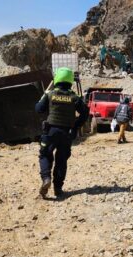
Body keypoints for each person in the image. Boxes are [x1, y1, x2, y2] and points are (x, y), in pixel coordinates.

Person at [35, 67, 89, 198]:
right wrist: (76, 126)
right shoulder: (74, 97)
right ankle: (58, 189)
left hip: (50, 131)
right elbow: (85, 113)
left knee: (45, 155)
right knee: (62, 160)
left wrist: (44, 96)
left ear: (57, 79)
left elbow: (38, 109)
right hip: (67, 133)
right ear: (70, 80)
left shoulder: (50, 94)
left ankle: (46, 178)